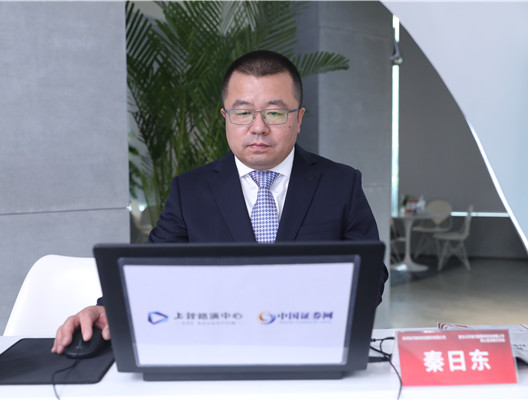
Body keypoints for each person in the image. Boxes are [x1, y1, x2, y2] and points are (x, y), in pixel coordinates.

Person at [52, 50, 388, 354]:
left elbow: (371, 279)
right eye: (243, 112)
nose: (258, 128)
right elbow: (152, 274)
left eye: (274, 113)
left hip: (313, 347)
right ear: (225, 116)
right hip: (215, 349)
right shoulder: (189, 190)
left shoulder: (340, 183)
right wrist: (107, 308)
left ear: (298, 119)